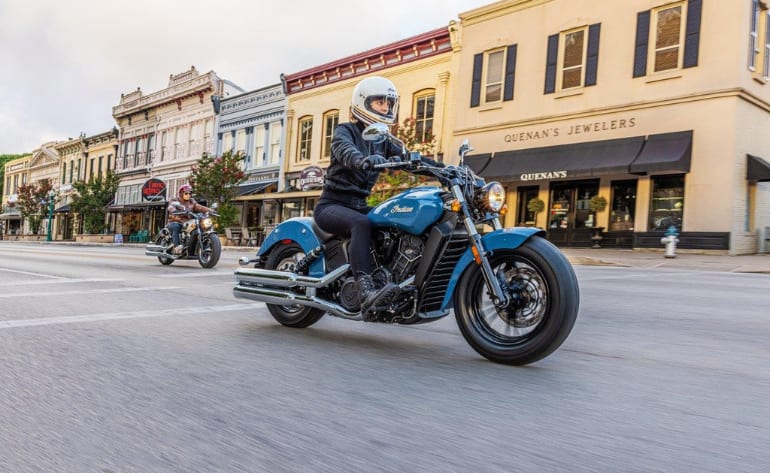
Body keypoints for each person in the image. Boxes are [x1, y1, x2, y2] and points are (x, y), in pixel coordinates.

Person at [313, 76, 443, 317]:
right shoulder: (346, 131)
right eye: (380, 102)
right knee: (361, 223)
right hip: (332, 205)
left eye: (389, 103)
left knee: (388, 224)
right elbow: (344, 150)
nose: (386, 108)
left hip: (359, 205)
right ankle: (365, 291)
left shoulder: (384, 140)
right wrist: (361, 159)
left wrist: (443, 170)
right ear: (363, 102)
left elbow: (412, 159)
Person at [166, 184, 210, 254]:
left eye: (190, 193)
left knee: (199, 227)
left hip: (187, 222)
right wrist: (174, 210)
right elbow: (171, 206)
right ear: (181, 193)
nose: (188, 195)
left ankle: (195, 246)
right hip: (176, 221)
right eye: (186, 193)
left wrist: (209, 210)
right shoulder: (175, 200)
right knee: (176, 226)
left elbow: (199, 207)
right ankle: (176, 246)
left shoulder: (192, 201)